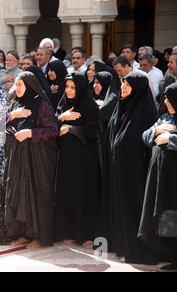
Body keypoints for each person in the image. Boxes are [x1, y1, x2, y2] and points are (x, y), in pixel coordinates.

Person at [98, 71, 159, 265]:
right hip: (119, 174)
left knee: (135, 211)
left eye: (127, 85)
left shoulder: (146, 113)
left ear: (138, 89)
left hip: (137, 176)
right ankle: (124, 246)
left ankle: (138, 249)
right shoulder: (121, 109)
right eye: (122, 83)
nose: (122, 88)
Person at [3, 71, 58, 249]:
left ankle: (40, 237)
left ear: (29, 86)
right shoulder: (15, 105)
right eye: (15, 85)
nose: (16, 88)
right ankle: (24, 233)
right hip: (17, 158)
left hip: (37, 159)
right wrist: (13, 115)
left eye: (20, 85)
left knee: (36, 195)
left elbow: (52, 130)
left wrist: (30, 133)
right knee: (20, 195)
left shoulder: (41, 105)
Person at [53, 72, 101, 247]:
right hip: (65, 157)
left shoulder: (90, 106)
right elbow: (53, 129)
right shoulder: (63, 104)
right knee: (67, 193)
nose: (69, 90)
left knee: (83, 193)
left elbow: (92, 131)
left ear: (80, 87)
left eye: (73, 87)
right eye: (66, 87)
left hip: (84, 160)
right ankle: (70, 231)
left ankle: (86, 234)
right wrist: (62, 118)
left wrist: (71, 129)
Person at [138, 82, 177, 270]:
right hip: (162, 179)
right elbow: (145, 136)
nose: (166, 101)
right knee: (166, 215)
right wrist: (157, 131)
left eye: (170, 98)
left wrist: (172, 137)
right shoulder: (165, 118)